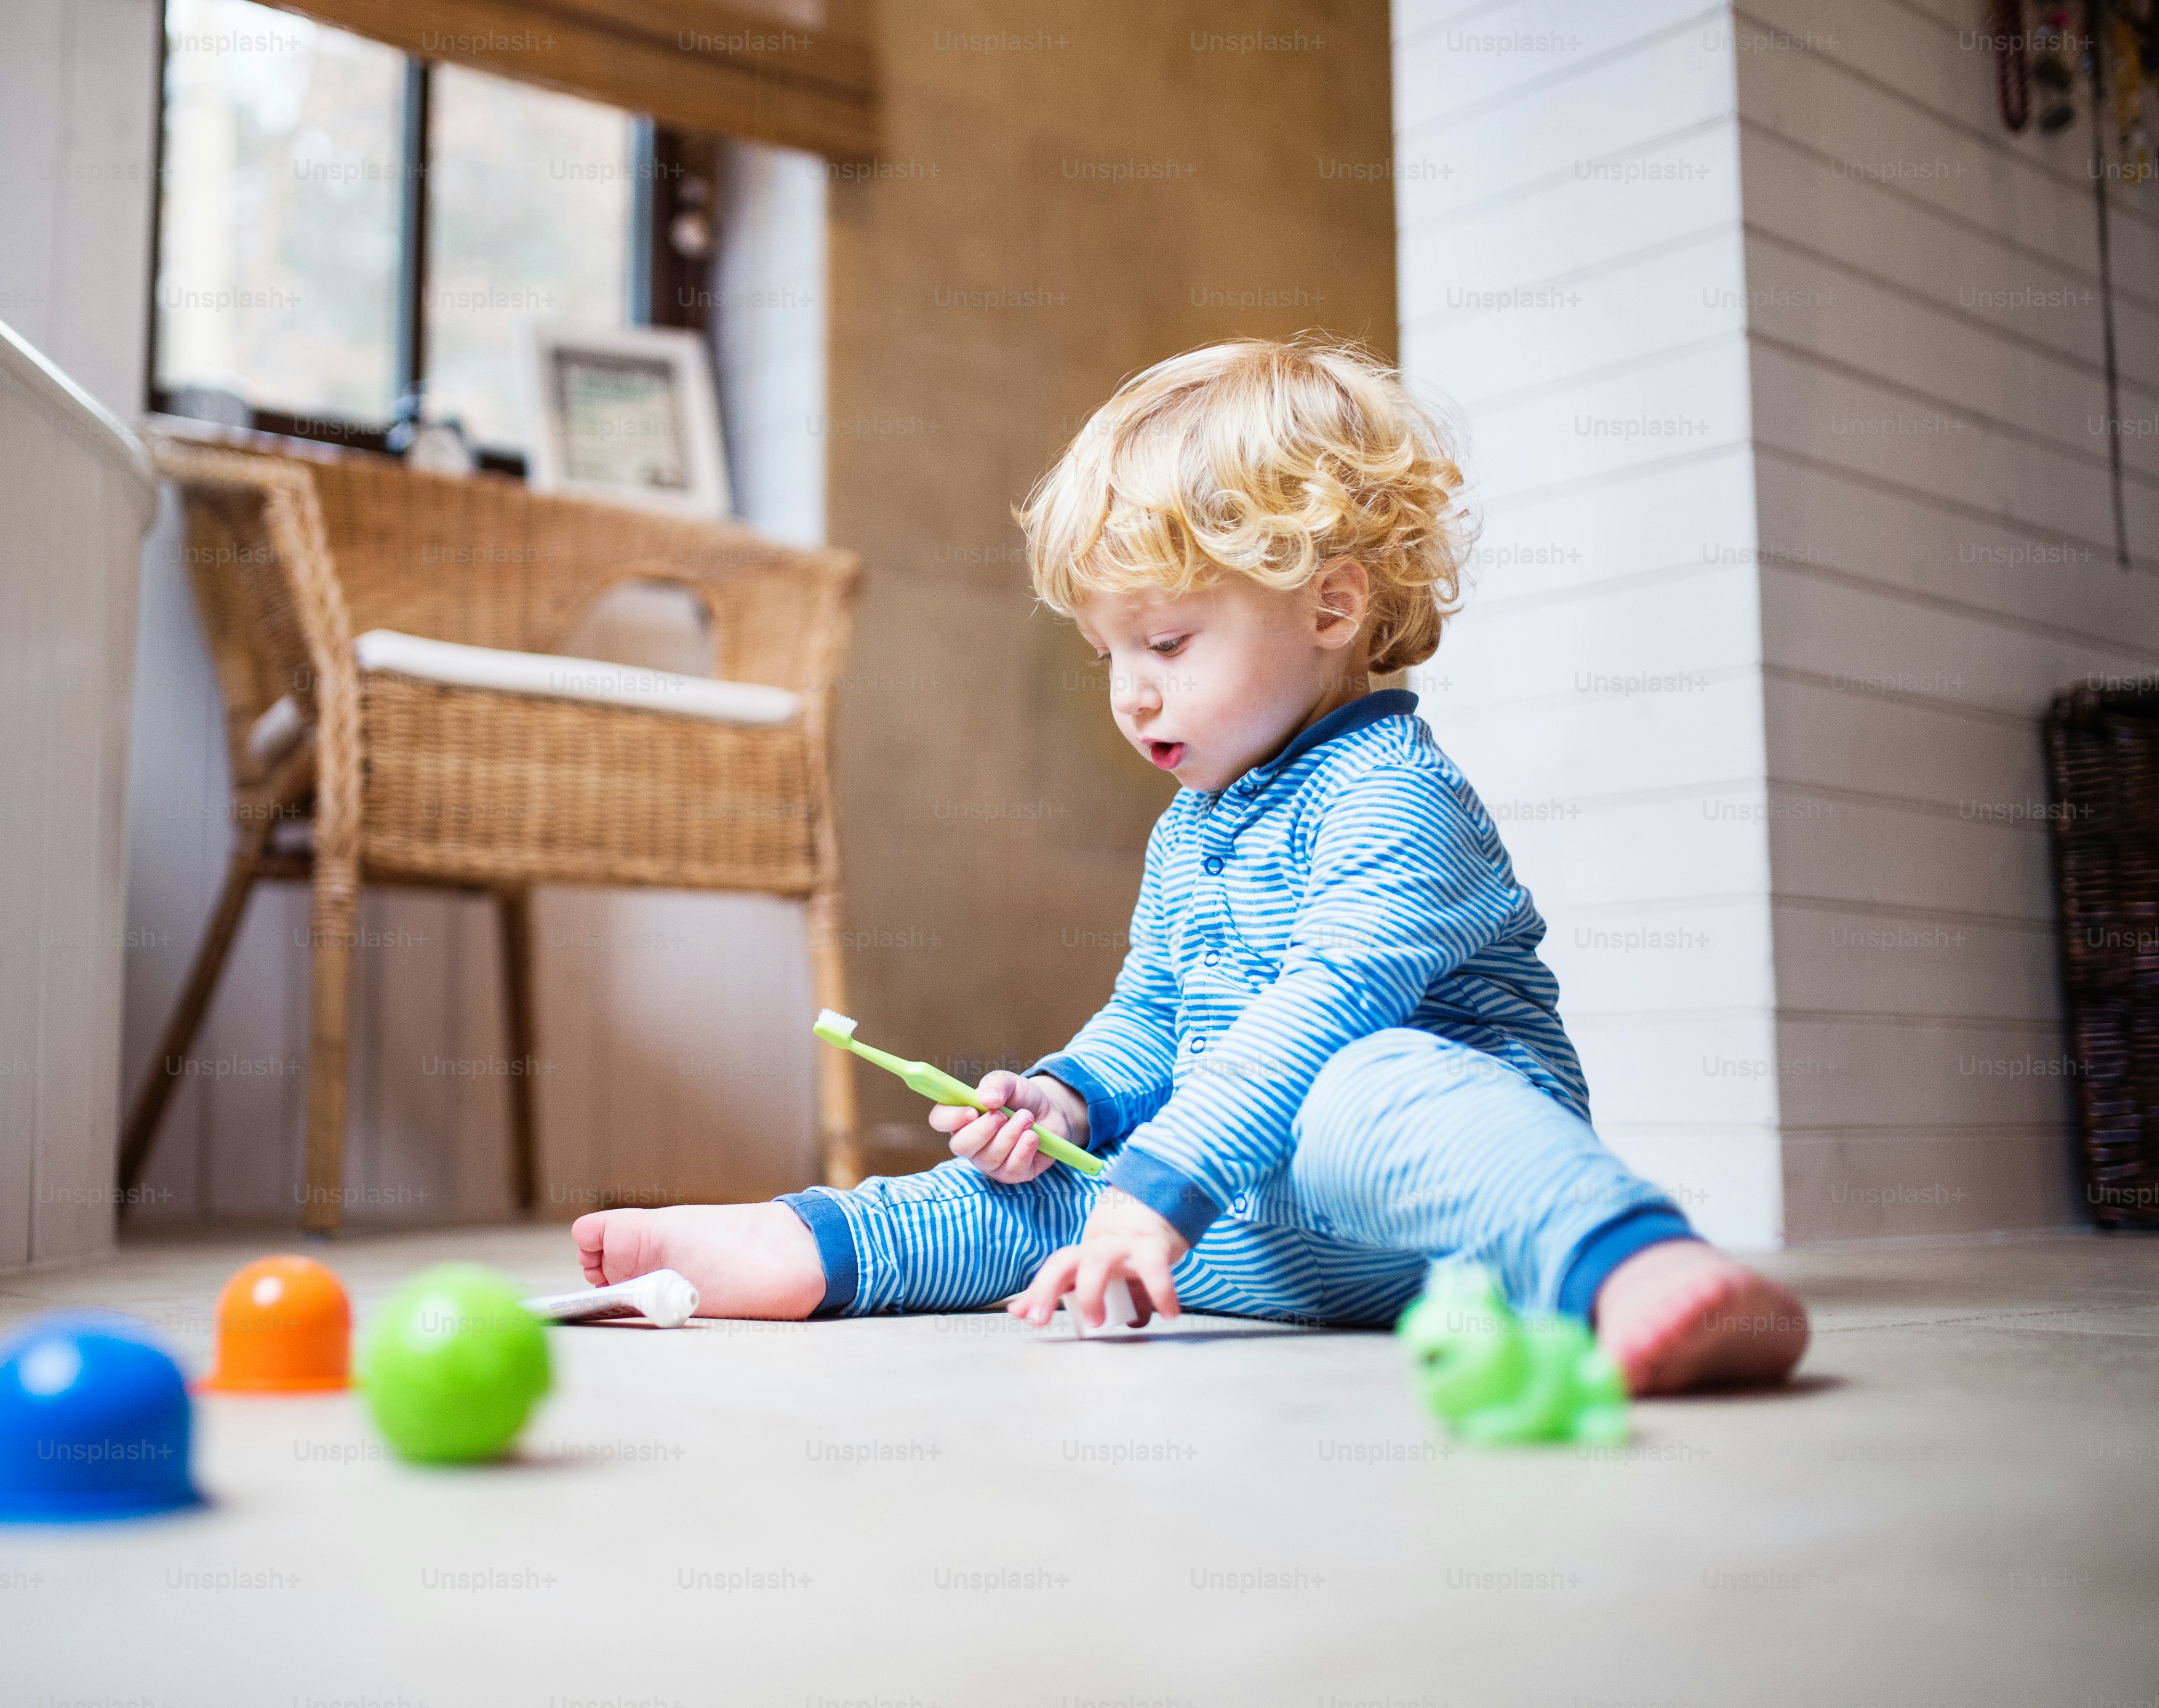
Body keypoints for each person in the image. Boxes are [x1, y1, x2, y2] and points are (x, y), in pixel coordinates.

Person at [574, 335, 1808, 1395]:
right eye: (1109, 653)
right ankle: (801, 1247)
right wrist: (1070, 1099)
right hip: (1262, 1230)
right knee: (1045, 1193)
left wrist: (1158, 1181)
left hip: (1449, 1221)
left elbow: (1317, 1016)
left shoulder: (1396, 799)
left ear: (1330, 608)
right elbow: (1155, 1013)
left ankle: (1642, 1261)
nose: (1131, 693)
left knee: (1352, 1088)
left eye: (1165, 639)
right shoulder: (1195, 822)